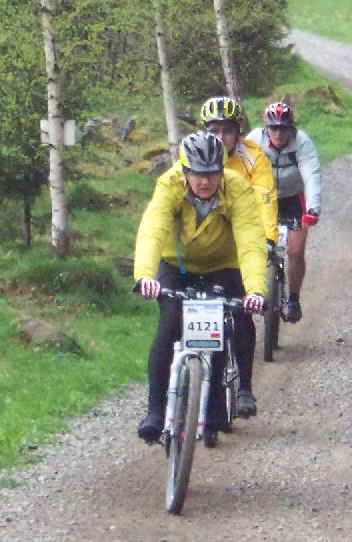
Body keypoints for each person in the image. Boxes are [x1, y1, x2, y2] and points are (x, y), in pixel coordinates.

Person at [134, 131, 267, 447]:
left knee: (216, 327)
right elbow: (153, 229)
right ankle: (155, 412)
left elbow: (250, 241)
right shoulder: (169, 185)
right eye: (197, 174)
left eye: (211, 174)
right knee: (168, 327)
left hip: (222, 266)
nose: (204, 182)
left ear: (222, 170)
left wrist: (256, 290)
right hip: (175, 266)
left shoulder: (237, 188)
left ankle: (215, 408)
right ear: (184, 170)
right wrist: (144, 276)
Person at [245, 102, 322, 324]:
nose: (278, 133)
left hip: (293, 198)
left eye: (283, 128)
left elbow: (311, 175)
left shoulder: (302, 143)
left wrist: (313, 209)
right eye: (274, 128)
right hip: (262, 198)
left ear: (291, 128)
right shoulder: (254, 140)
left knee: (296, 251)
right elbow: (241, 171)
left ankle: (294, 299)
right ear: (266, 127)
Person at [200, 96, 279, 249]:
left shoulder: (253, 156)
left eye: (227, 131)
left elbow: (265, 196)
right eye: (214, 131)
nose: (220, 138)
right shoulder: (195, 154)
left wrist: (268, 238)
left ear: (237, 132)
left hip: (246, 226)